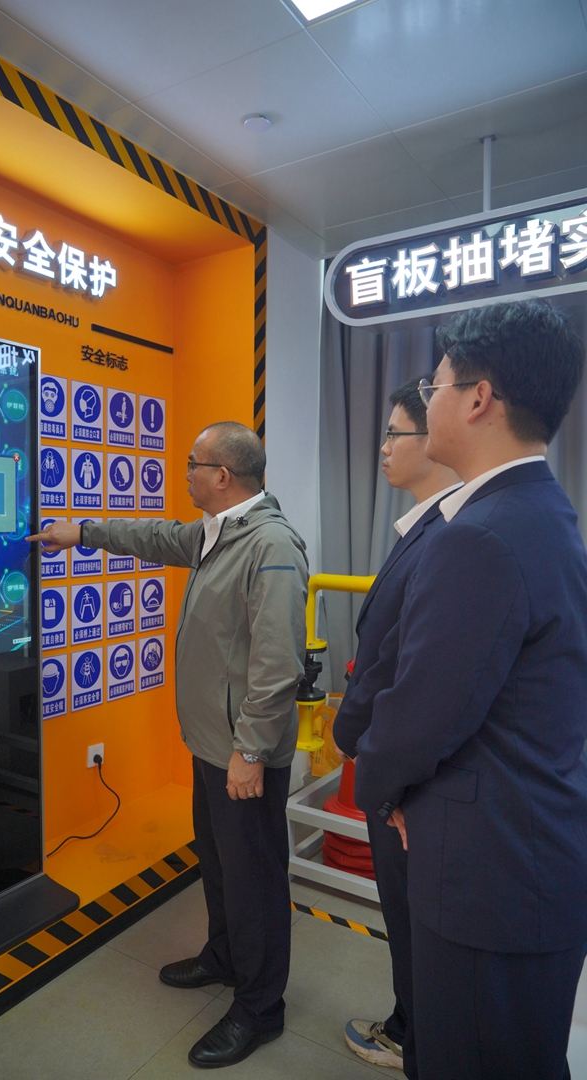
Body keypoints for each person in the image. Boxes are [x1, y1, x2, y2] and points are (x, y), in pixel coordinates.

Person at [354, 300, 587, 1080]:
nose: (429, 401)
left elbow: (420, 717)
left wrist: (383, 789)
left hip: (487, 882)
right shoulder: (543, 512)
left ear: (479, 398)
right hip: (531, 860)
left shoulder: (479, 537)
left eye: (436, 386)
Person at [28, 421, 308, 1069]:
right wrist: (81, 532)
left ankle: (260, 1007)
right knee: (220, 864)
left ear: (222, 477)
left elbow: (277, 665)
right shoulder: (217, 532)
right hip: (213, 746)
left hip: (243, 754)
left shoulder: (269, 544)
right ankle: (225, 957)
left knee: (255, 881)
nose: (183, 475)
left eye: (192, 465)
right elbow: (152, 536)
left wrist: (250, 751)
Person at [332, 376, 461, 1077]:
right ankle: (410, 1024)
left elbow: (401, 669)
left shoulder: (450, 535)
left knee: (413, 922)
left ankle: (414, 1036)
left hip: (406, 782)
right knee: (407, 921)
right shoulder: (427, 527)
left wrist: (361, 750)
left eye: (393, 433)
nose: (382, 447)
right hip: (400, 773)